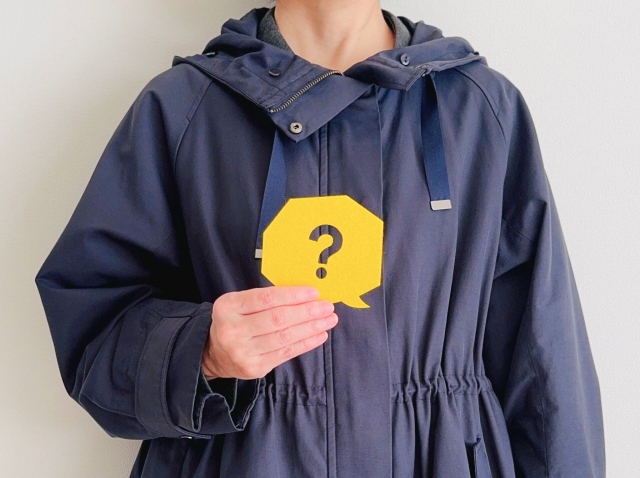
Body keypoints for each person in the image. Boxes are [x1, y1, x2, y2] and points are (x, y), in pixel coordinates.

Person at [35, 1, 606, 477]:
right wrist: (200, 351)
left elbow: (543, 354)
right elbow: (93, 325)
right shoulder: (184, 108)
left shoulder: (480, 108)